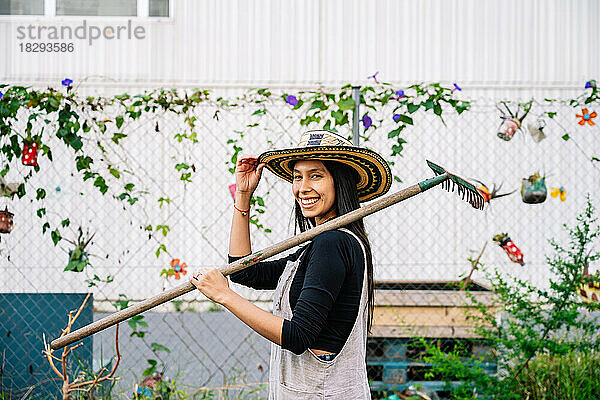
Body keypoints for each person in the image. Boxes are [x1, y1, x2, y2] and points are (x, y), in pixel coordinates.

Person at [190, 130, 392, 399]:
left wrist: (224, 296)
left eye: (316, 175)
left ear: (341, 181)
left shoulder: (333, 243)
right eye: (298, 177)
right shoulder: (320, 246)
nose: (302, 187)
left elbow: (298, 336)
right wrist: (244, 195)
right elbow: (244, 270)